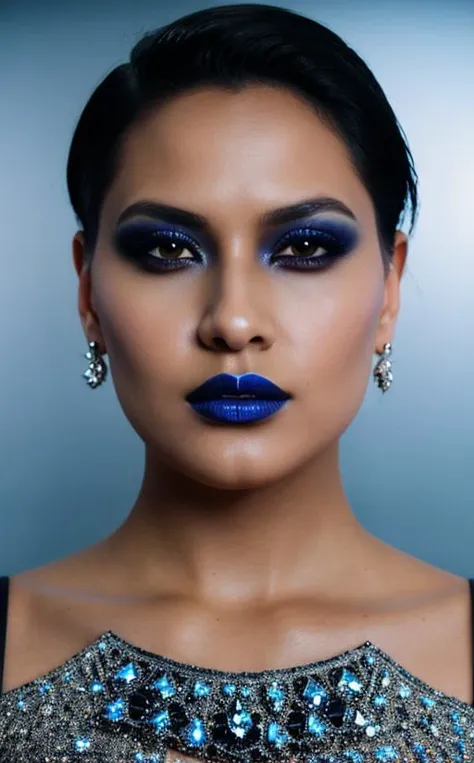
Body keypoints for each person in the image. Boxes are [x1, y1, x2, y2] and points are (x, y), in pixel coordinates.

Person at [0, 3, 473, 761]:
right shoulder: (16, 634)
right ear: (88, 292)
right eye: (167, 251)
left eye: (307, 246)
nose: (233, 320)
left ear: (389, 288)